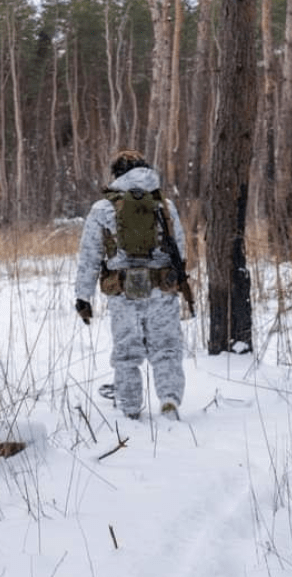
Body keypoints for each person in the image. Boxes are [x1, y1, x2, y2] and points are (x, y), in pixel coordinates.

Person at [74, 150, 188, 421]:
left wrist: (83, 297)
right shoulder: (165, 206)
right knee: (167, 348)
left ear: (117, 174)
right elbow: (180, 250)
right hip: (161, 288)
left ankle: (129, 407)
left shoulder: (102, 208)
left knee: (126, 352)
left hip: (123, 290)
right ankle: (170, 399)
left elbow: (90, 257)